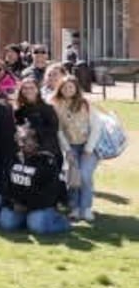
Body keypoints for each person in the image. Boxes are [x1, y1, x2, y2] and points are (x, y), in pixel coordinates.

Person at [0, 128, 72, 235]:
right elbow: (5, 185)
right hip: (19, 206)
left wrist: (29, 206)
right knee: (6, 224)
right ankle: (27, 220)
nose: (25, 143)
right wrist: (11, 204)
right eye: (22, 140)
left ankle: (62, 221)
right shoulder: (13, 158)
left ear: (36, 142)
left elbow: (50, 192)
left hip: (41, 206)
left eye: (29, 140)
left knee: (37, 227)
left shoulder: (47, 160)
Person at [51, 76, 102, 222]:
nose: (68, 90)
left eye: (71, 87)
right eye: (65, 87)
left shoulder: (85, 104)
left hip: (88, 146)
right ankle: (74, 207)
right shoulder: (57, 105)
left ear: (76, 88)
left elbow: (96, 126)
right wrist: (67, 150)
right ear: (60, 89)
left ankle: (86, 208)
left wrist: (89, 148)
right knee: (73, 177)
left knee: (85, 176)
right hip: (71, 145)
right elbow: (59, 130)